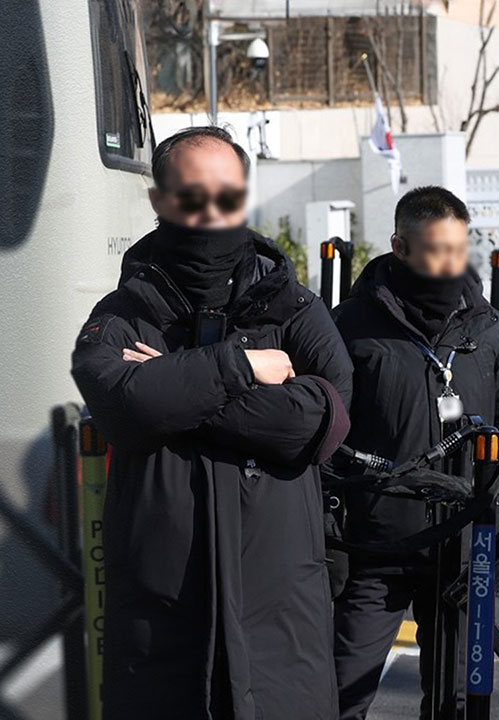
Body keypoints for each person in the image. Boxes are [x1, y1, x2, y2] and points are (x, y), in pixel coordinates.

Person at [70, 126, 352, 719]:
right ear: (159, 202)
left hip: (281, 621)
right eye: (192, 195)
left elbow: (317, 422)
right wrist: (238, 367)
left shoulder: (296, 308)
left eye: (227, 194)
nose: (211, 211)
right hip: (161, 620)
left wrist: (177, 384)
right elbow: (124, 406)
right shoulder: (120, 314)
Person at [330, 186, 499, 719]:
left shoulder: (488, 327)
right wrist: (326, 534)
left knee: (457, 701)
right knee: (339, 694)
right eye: (436, 251)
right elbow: (325, 438)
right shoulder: (350, 326)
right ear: (399, 247)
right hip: (375, 548)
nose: (450, 264)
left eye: (458, 250)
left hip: (463, 546)